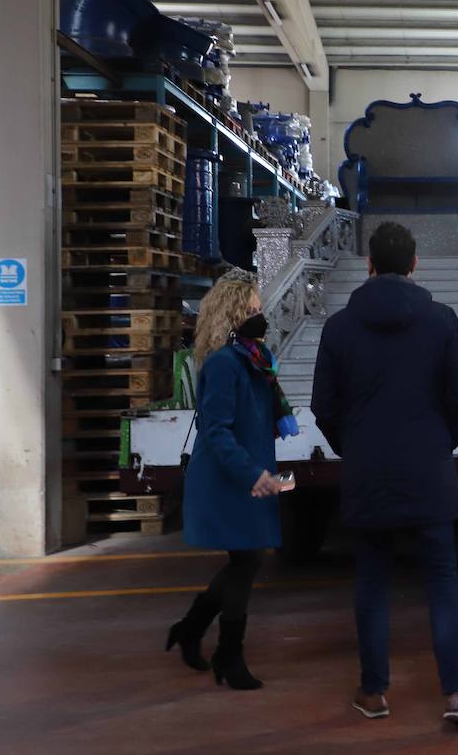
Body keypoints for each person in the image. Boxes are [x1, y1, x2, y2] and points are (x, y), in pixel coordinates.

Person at [311, 221, 458, 726]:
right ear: (413, 264)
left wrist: (354, 446)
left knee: (371, 580)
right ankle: (457, 695)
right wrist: (439, 442)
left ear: (369, 264)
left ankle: (373, 693)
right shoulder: (442, 321)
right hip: (427, 470)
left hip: (367, 471)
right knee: (442, 580)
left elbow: (323, 406)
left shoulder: (339, 327)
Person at [166, 269, 298, 691]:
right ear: (232, 316)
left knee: (247, 560)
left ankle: (191, 630)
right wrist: (253, 474)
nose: (261, 318)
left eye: (260, 310)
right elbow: (216, 429)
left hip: (250, 472)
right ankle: (227, 654)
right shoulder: (226, 363)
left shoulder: (255, 358)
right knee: (247, 561)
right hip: (231, 477)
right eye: (253, 311)